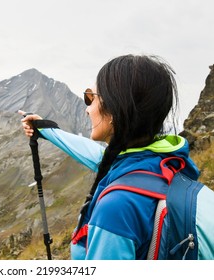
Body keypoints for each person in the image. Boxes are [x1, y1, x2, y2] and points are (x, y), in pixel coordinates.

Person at [19, 54, 201, 259]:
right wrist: (46, 130)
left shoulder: (115, 208)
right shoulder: (163, 163)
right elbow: (96, 155)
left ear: (114, 110)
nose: (87, 109)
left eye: (91, 97)